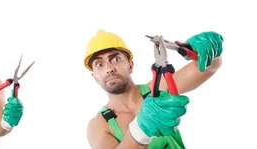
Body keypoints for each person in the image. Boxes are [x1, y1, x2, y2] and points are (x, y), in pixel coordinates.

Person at [85, 30, 224, 149]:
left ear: (131, 65)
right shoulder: (99, 125)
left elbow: (206, 68)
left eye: (115, 59)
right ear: (94, 77)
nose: (109, 69)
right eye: (99, 64)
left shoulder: (158, 89)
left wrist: (209, 54)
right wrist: (140, 130)